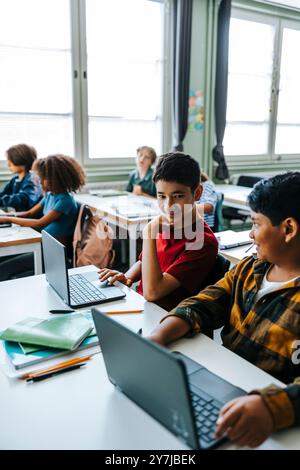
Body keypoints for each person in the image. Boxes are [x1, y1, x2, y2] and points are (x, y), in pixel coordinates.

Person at [148, 171, 300, 448]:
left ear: (288, 229)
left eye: (255, 223)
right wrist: (158, 336)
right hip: (223, 385)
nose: (250, 234)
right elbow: (206, 301)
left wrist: (270, 407)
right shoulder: (250, 267)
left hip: (264, 415)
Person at [99, 152, 218, 311]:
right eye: (161, 196)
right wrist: (127, 277)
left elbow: (152, 292)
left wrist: (149, 232)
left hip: (165, 317)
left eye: (178, 196)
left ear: (197, 193)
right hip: (143, 307)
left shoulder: (203, 241)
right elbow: (144, 261)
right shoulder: (169, 221)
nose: (169, 206)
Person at [0, 154, 85, 280]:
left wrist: (8, 219)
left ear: (55, 179)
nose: (39, 181)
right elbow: (29, 213)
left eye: (42, 178)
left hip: (52, 253)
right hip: (42, 244)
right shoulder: (50, 195)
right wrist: (7, 214)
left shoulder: (65, 201)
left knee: (4, 269)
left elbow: (40, 223)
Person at [0, 143, 43, 211]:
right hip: (20, 216)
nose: (8, 164)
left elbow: (24, 199)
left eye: (11, 160)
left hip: (30, 219)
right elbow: (3, 193)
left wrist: (2, 201)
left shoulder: (32, 179)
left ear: (22, 160)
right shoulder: (15, 180)